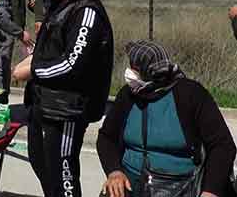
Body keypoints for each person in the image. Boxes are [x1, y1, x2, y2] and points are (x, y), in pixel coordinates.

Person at [12, 0, 113, 197]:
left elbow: (72, 64)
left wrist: (33, 70)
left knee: (63, 172)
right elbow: (54, 47)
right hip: (43, 104)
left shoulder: (87, 11)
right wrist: (34, 57)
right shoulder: (62, 4)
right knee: (43, 165)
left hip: (66, 109)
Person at [97, 40, 236, 197]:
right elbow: (106, 137)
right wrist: (114, 171)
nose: (129, 72)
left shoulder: (191, 94)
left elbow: (222, 145)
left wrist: (210, 191)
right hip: (131, 183)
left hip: (181, 186)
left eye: (134, 68)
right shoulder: (128, 95)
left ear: (148, 71)